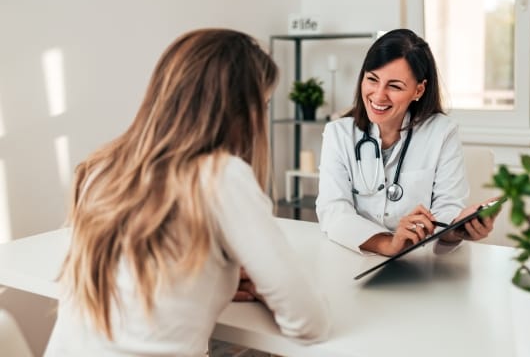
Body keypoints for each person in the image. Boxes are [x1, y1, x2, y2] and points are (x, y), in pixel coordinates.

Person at [44, 29, 330, 356]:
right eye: (262, 105)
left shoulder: (102, 167)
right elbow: (309, 324)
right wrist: (269, 290)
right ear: (240, 110)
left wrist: (217, 277)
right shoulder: (221, 177)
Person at [316, 28, 497, 256]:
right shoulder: (338, 134)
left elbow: (448, 208)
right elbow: (333, 210)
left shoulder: (442, 132)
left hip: (420, 262)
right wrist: (388, 244)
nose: (379, 95)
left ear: (418, 90)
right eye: (372, 79)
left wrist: (458, 229)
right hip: (355, 258)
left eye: (394, 86)